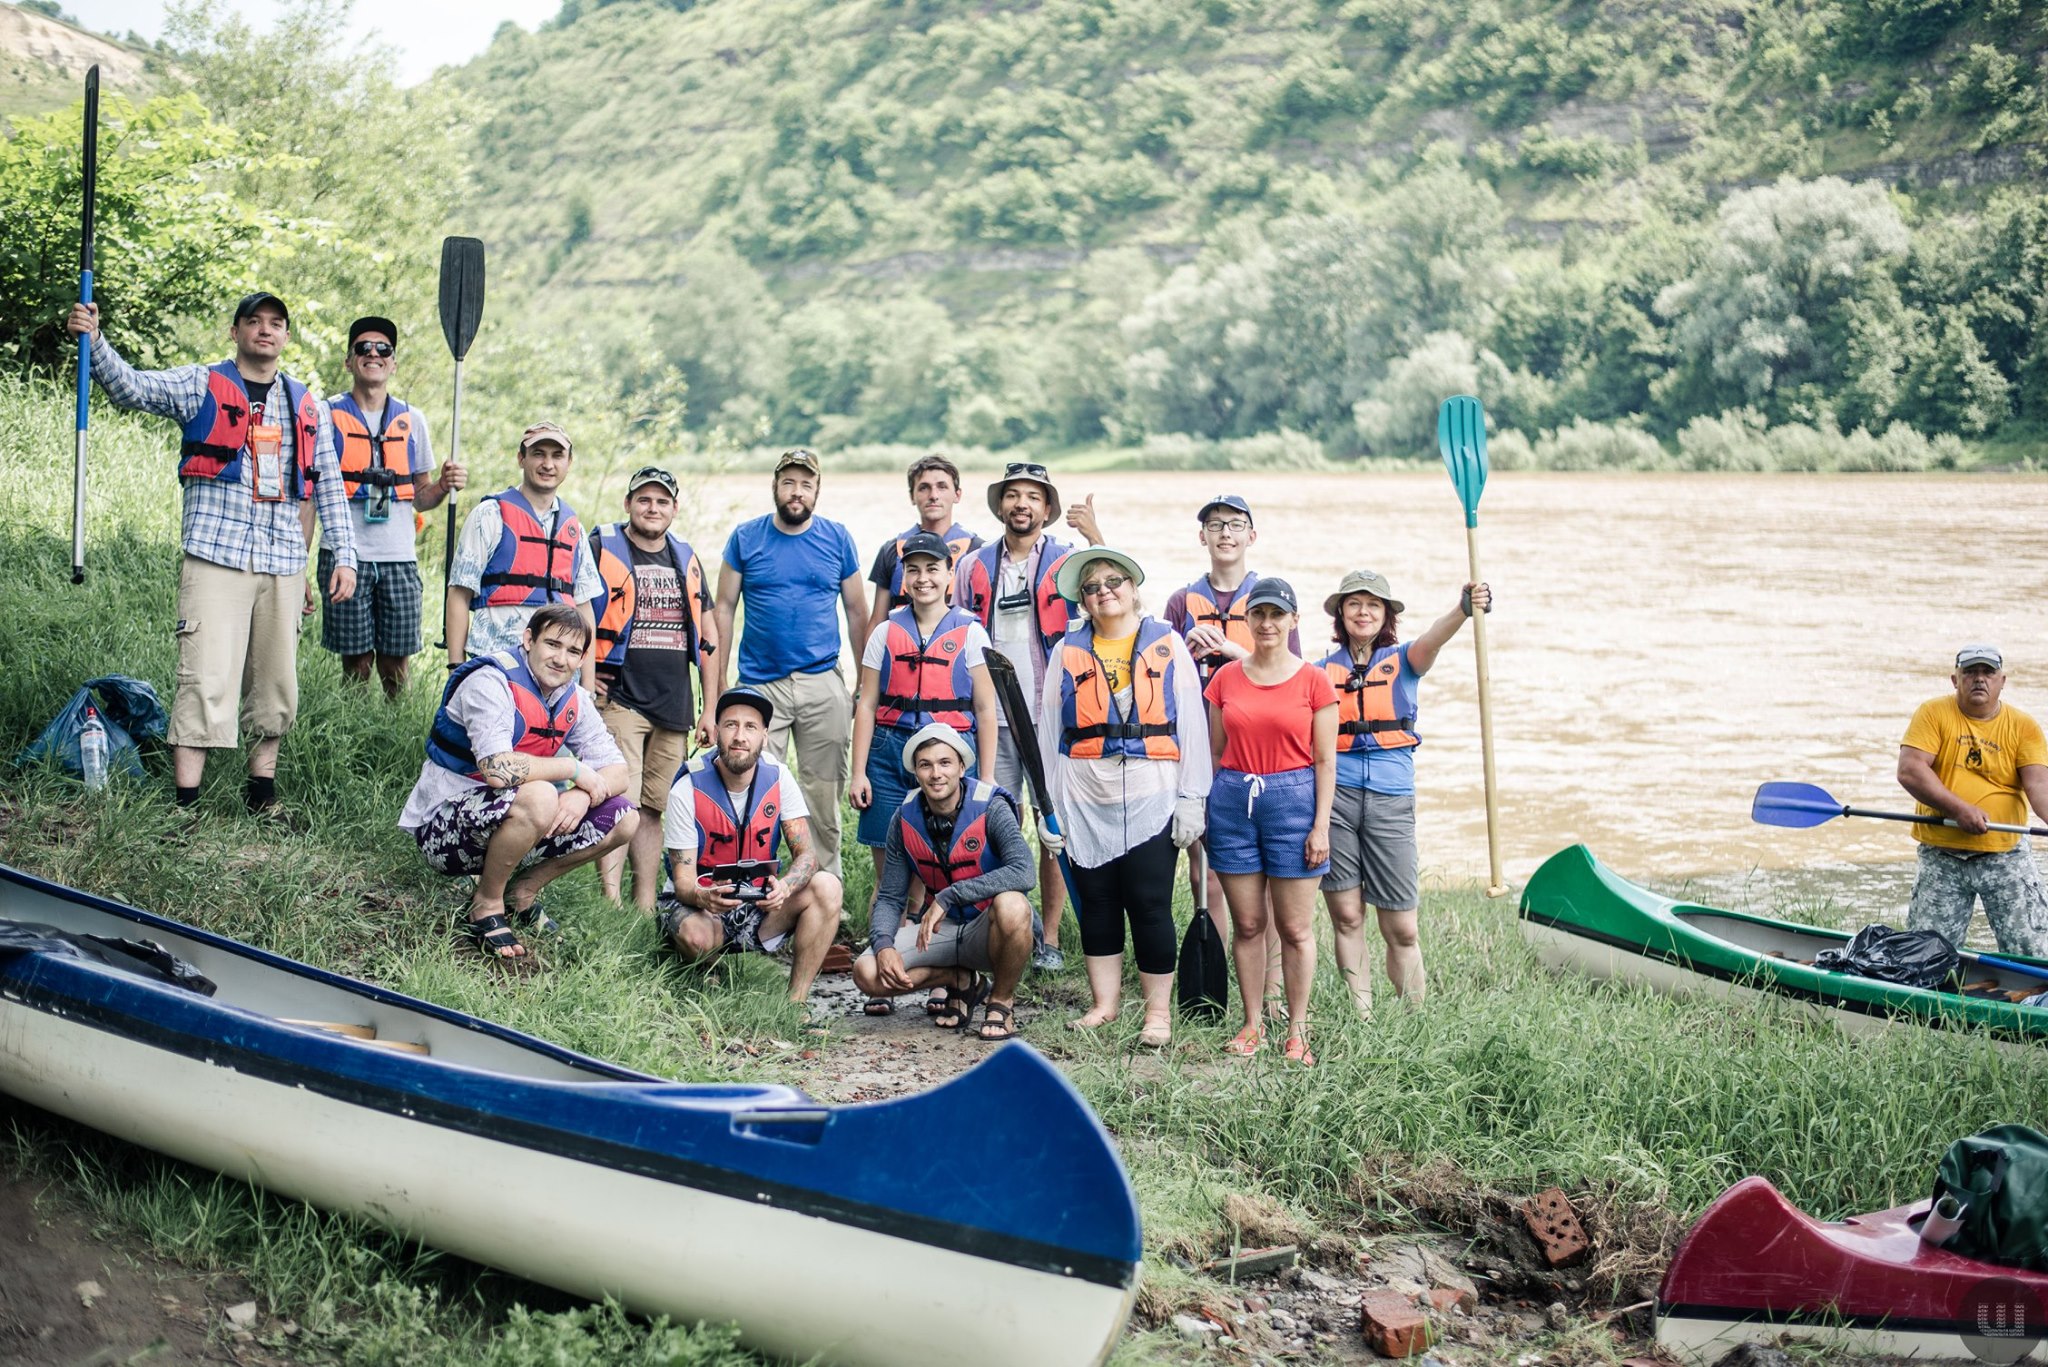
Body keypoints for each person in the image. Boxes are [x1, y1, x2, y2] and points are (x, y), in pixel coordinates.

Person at [65, 292, 357, 813]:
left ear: (286, 336)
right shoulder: (200, 383)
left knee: (275, 684)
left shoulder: (307, 404)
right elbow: (130, 387)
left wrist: (345, 557)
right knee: (204, 677)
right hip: (215, 554)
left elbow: (329, 485)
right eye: (254, 321)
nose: (265, 330)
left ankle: (262, 795)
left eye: (275, 323)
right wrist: (95, 339)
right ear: (235, 331)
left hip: (283, 562)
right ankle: (186, 804)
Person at [397, 603, 638, 965]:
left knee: (625, 818)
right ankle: (486, 903)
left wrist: (580, 795)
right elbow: (496, 770)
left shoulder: (573, 697)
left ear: (582, 659)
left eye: (573, 651)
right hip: (444, 829)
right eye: (552, 644)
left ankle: (521, 892)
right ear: (528, 640)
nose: (561, 659)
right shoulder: (491, 681)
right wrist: (572, 769)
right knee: (542, 796)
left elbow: (618, 771)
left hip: (513, 818)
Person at [1038, 549, 1210, 1047]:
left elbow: (1192, 724)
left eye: (1114, 582)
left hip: (1153, 792)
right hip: (1084, 791)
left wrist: (1192, 796)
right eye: (1092, 587)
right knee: (1097, 903)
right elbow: (1049, 730)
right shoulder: (1065, 650)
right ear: (1083, 601)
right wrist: (1049, 806)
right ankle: (1104, 1005)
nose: (1104, 592)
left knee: (1150, 902)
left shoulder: (1167, 643)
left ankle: (1158, 1013)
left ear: (1134, 589)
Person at [952, 460, 1103, 971]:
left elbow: (1114, 599)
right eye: (1013, 494)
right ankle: (1001, 925)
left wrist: (1095, 536)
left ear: (1047, 507)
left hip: (1049, 712)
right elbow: (957, 632)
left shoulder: (1067, 559)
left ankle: (1051, 938)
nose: (1022, 504)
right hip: (990, 714)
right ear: (1000, 505)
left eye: (1033, 496)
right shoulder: (972, 565)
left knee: (1051, 823)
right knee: (995, 818)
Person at [1319, 570, 1491, 1014]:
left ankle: (1415, 1016)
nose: (1363, 612)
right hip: (1335, 800)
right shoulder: (1320, 672)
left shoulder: (1406, 660)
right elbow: (1274, 670)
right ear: (1341, 613)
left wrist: (1463, 609)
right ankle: (1362, 1017)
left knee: (1402, 927)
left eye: (1373, 605)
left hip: (1390, 799)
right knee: (1347, 916)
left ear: (1386, 615)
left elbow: (1435, 638)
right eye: (1354, 604)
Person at [849, 530, 1000, 1013]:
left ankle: (939, 972)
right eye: (913, 570)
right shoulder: (885, 631)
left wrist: (987, 778)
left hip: (949, 752)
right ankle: (886, 964)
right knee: (889, 874)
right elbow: (866, 704)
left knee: (939, 866)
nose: (922, 578)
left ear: (949, 575)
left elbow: (985, 708)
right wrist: (858, 772)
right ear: (903, 578)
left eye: (932, 569)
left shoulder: (971, 632)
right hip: (890, 751)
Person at [1164, 494, 1301, 1018]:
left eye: (1236, 525)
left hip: (1259, 756)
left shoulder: (1271, 599)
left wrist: (1232, 651)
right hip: (1202, 750)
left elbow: (1295, 677)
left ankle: (1272, 992)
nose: (1225, 533)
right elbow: (1158, 670)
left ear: (1251, 536)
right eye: (1215, 525)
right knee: (1209, 876)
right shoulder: (1182, 602)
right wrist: (1187, 648)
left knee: (1268, 886)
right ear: (1202, 536)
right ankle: (1216, 987)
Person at [713, 449, 865, 878]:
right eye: (789, 483)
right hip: (761, 684)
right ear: (775, 487)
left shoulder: (837, 539)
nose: (797, 492)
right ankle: (748, 885)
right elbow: (723, 607)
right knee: (751, 786)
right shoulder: (746, 538)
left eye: (806, 484)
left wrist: (862, 683)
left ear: (817, 490)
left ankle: (825, 887)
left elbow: (857, 610)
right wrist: (720, 681)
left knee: (823, 793)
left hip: (822, 680)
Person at [1203, 578, 1337, 1065]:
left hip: (1294, 803)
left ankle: (1297, 1030)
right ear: (1247, 619)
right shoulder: (1225, 679)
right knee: (1248, 924)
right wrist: (1208, 810)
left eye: (1277, 614)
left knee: (1295, 928)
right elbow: (1216, 753)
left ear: (1293, 620)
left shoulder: (1315, 681)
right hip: (1234, 801)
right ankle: (1253, 1023)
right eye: (1258, 613)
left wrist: (1320, 826)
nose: (1267, 623)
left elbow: (1325, 761)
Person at [302, 316, 465, 698]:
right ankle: (353, 725)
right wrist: (299, 566)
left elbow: (420, 495)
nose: (373, 354)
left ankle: (395, 726)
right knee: (356, 662)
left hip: (398, 557)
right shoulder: (326, 415)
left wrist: (443, 486)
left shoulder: (412, 419)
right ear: (349, 361)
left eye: (383, 349)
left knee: (395, 663)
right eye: (363, 347)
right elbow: (308, 496)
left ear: (393, 363)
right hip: (343, 555)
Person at [659, 687, 844, 1007]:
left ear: (765, 736)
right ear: (717, 731)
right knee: (697, 937)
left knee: (828, 886)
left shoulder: (779, 777)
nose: (740, 736)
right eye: (730, 725)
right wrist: (705, 897)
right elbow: (683, 883)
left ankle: (795, 1004)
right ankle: (706, 969)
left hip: (757, 902)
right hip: (700, 904)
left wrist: (785, 887)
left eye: (750, 727)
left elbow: (807, 856)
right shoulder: (687, 788)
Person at [587, 466, 720, 911]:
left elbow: (710, 637)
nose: (652, 508)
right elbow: (575, 613)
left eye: (662, 501)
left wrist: (710, 708)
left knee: (653, 809)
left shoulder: (686, 557)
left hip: (674, 705)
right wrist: (586, 675)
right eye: (644, 499)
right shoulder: (602, 546)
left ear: (674, 509)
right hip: (620, 698)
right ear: (628, 504)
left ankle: (643, 907)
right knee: (619, 799)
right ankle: (609, 903)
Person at [850, 723, 1035, 1040]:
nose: (936, 774)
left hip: (989, 930)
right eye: (926, 765)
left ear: (962, 767)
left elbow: (1024, 871)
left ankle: (1001, 1001)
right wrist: (883, 946)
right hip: (940, 932)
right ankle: (960, 981)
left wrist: (950, 895)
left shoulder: (992, 806)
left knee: (1013, 904)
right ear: (916, 773)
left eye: (945, 763)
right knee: (866, 973)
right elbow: (891, 897)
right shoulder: (903, 818)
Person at [1897, 645, 2048, 957]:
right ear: (1955, 679)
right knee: (1926, 955)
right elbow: (1910, 770)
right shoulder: (1932, 713)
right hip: (1942, 856)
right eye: (1970, 672)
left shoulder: (2024, 726)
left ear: (2002, 681)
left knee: (2032, 951)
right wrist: (1959, 810)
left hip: (2005, 855)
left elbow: (2039, 785)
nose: (1980, 679)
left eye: (1988, 672)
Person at [446, 421, 601, 689]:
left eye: (557, 456)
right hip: (496, 661)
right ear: (521, 458)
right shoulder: (489, 515)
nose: (548, 464)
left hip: (557, 670)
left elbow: (584, 608)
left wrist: (587, 686)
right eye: (538, 454)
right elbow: (459, 594)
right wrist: (456, 668)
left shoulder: (574, 529)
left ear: (569, 463)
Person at [860, 453, 984, 643]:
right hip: (902, 650)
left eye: (942, 487)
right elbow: (877, 620)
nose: (933, 495)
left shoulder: (978, 550)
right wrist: (866, 662)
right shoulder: (891, 550)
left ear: (957, 495)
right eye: (924, 488)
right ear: (912, 496)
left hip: (958, 650)